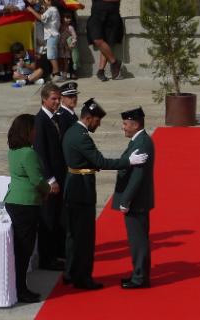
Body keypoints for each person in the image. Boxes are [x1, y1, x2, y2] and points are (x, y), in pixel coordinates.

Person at [61, 98, 147, 290]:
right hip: (81, 190)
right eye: (97, 121)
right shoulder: (82, 136)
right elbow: (101, 161)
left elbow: (85, 160)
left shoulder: (73, 131)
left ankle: (70, 272)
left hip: (73, 187)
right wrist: (128, 162)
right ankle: (82, 278)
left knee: (73, 235)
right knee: (84, 238)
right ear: (89, 118)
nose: (98, 125)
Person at [4, 113, 50, 303]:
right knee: (24, 249)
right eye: (34, 129)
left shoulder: (13, 150)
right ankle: (21, 289)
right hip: (26, 203)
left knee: (21, 248)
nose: (36, 132)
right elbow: (37, 179)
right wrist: (48, 189)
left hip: (14, 200)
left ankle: (19, 286)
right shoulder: (28, 153)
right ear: (28, 131)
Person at [114, 107, 154, 289]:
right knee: (137, 240)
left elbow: (137, 176)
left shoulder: (142, 144)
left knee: (138, 241)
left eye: (125, 124)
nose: (123, 127)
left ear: (135, 124)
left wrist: (125, 200)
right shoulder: (139, 140)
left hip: (136, 202)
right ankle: (138, 273)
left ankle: (139, 278)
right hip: (138, 201)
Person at [33, 83, 65, 271]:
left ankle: (55, 253)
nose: (57, 102)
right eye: (53, 99)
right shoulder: (40, 121)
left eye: (58, 98)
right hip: (50, 179)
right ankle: (46, 258)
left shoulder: (55, 118)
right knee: (48, 217)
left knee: (56, 216)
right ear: (44, 99)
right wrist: (50, 179)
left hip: (59, 175)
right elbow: (40, 153)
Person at [87, 0, 124, 81]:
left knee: (106, 42)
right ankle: (115, 63)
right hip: (97, 12)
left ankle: (101, 71)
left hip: (112, 13)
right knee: (97, 39)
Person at [26, 0, 61, 82]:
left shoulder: (51, 10)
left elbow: (41, 18)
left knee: (51, 55)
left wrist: (31, 10)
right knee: (51, 55)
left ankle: (56, 73)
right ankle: (54, 73)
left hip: (51, 36)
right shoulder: (53, 10)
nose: (44, 3)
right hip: (50, 37)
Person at [58, 10, 77, 80]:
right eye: (67, 17)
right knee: (60, 61)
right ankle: (61, 73)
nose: (69, 19)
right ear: (62, 18)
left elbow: (74, 37)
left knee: (66, 62)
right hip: (59, 47)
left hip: (66, 47)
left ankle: (65, 74)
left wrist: (72, 44)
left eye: (70, 18)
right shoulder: (59, 26)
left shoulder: (70, 27)